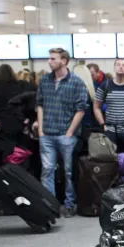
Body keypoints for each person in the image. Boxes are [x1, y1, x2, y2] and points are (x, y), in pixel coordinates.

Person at [34, 48, 88, 217]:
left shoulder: (76, 82)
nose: (49, 61)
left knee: (68, 171)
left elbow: (81, 109)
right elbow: (40, 105)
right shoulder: (44, 81)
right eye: (49, 58)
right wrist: (41, 130)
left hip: (66, 134)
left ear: (63, 61)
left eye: (53, 58)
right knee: (47, 170)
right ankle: (50, 204)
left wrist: (70, 132)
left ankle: (69, 203)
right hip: (47, 134)